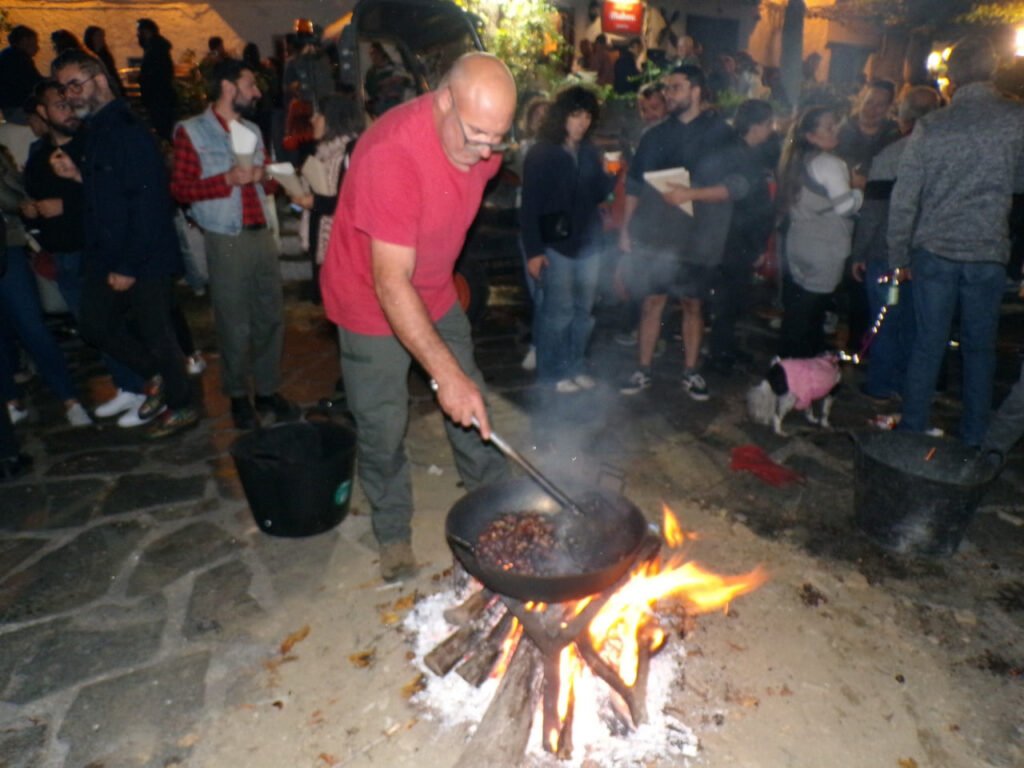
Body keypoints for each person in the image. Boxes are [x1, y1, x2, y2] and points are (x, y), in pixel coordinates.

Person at [319, 52, 514, 580]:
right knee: (383, 424)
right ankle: (392, 532)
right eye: (476, 135)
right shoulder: (391, 156)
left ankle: (496, 506)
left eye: (498, 138)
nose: (486, 152)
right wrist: (442, 374)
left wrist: (454, 378)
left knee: (471, 398)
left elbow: (455, 199)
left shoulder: (484, 147)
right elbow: (390, 282)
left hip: (434, 287)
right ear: (444, 100)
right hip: (369, 298)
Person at [52, 48, 197, 438]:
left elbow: (149, 203)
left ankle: (182, 404)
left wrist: (128, 266)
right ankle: (157, 376)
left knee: (157, 333)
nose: (70, 96)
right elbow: (113, 188)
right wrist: (79, 176)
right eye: (64, 89)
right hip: (112, 251)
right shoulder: (97, 129)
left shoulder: (127, 129)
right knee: (94, 324)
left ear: (99, 80)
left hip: (143, 253)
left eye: (75, 85)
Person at [888, 35, 1024, 447]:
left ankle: (913, 427)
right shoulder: (1016, 119)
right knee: (979, 350)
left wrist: (898, 254)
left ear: (952, 76)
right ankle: (974, 437)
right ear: (992, 69)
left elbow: (905, 195)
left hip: (935, 251)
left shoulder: (933, 125)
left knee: (928, 345)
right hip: (987, 250)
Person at [171, 58, 298, 430]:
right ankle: (239, 396)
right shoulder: (192, 131)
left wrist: (265, 175)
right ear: (228, 87)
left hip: (260, 232)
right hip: (225, 237)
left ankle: (268, 391)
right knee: (234, 323)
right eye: (250, 85)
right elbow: (180, 189)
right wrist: (226, 179)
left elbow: (270, 182)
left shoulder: (253, 130)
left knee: (270, 317)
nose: (256, 92)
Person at [617, 65, 737, 400]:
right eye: (667, 88)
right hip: (657, 232)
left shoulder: (721, 134)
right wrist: (626, 228)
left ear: (696, 91)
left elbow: (735, 187)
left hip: (700, 235)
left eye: (676, 88)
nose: (668, 94)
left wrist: (691, 194)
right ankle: (642, 369)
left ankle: (691, 371)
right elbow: (634, 184)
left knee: (692, 303)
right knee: (652, 301)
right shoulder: (654, 135)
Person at [850, 86, 941, 403]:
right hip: (930, 256)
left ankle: (881, 384)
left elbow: (873, 212)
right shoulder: (946, 155)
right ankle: (910, 385)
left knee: (885, 321)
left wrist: (859, 252)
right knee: (917, 325)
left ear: (903, 116)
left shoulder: (891, 156)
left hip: (887, 254)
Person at [521, 86, 614, 393]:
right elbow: (530, 205)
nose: (581, 123)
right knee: (557, 311)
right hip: (556, 240)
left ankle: (575, 366)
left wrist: (609, 175)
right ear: (562, 116)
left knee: (583, 311)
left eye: (587, 116)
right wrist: (534, 251)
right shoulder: (542, 152)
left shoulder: (588, 151)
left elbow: (597, 194)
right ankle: (553, 373)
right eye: (576, 115)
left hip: (589, 242)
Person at [0, 143, 92, 428]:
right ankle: (11, 401)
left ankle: (69, 400)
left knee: (31, 326)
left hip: (7, 248)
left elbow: (16, 197)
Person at [776, 106, 862, 359]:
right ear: (811, 136)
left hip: (798, 242)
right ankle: (799, 366)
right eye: (829, 127)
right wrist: (858, 192)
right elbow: (845, 206)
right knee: (810, 313)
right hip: (825, 246)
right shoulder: (830, 163)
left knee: (799, 308)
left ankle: (791, 362)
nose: (836, 130)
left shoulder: (794, 160)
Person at [707, 98, 777, 373]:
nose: (771, 129)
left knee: (735, 298)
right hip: (736, 239)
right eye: (768, 124)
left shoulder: (748, 153)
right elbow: (745, 204)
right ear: (755, 126)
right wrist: (755, 244)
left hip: (740, 238)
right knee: (729, 299)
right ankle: (719, 353)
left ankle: (727, 347)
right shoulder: (739, 156)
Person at [289, 93, 362, 299]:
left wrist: (313, 201)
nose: (312, 120)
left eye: (317, 115)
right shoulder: (320, 153)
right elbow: (306, 204)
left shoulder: (352, 152)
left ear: (333, 118)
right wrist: (297, 200)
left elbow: (349, 201)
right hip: (321, 242)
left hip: (342, 244)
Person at [136, 18, 177, 141]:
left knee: (163, 131)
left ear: (146, 32)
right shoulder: (156, 48)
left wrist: (141, 78)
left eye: (139, 32)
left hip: (158, 98)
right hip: (160, 97)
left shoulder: (155, 50)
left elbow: (154, 74)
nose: (138, 36)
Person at [0, 26, 43, 123]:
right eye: (34, 42)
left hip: (10, 108)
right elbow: (35, 83)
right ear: (24, 41)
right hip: (19, 109)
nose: (37, 47)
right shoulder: (19, 58)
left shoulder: (8, 55)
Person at [364, 42, 411, 118]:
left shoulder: (395, 67)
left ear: (382, 52)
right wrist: (382, 84)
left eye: (375, 53)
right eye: (371, 54)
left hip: (398, 105)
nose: (374, 56)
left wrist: (400, 80)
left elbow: (408, 81)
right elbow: (370, 90)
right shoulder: (371, 73)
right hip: (382, 108)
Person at [83, 26, 124, 95]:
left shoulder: (106, 56)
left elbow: (112, 73)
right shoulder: (87, 56)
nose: (101, 39)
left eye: (102, 36)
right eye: (98, 36)